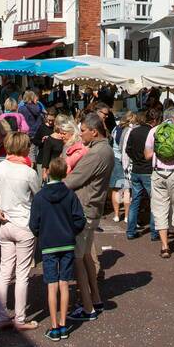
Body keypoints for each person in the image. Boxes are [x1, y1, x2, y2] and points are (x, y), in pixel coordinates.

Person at [0, 132, 42, 332]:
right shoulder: (29, 172)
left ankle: (2, 316)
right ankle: (20, 318)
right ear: (23, 148)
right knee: (22, 274)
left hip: (5, 224)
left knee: (5, 272)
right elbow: (38, 196)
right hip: (24, 224)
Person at [63, 112, 114, 322]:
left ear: (94, 131)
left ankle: (87, 307)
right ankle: (95, 299)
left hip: (84, 208)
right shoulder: (104, 150)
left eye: (83, 130)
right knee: (85, 257)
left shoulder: (96, 153)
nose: (80, 134)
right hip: (92, 208)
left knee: (78, 259)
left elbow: (73, 180)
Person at [29, 154, 86, 342]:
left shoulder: (39, 197)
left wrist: (41, 233)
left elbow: (33, 223)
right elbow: (80, 219)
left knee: (51, 285)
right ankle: (63, 323)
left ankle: (54, 326)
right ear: (65, 173)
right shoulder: (70, 195)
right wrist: (71, 231)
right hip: (67, 242)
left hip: (48, 245)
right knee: (65, 284)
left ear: (48, 173)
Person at [145, 107, 174, 258]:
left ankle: (165, 247)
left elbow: (147, 155)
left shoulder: (154, 131)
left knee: (160, 210)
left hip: (158, 173)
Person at [125, 108, 158, 241]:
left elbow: (128, 149)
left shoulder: (134, 131)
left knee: (135, 200)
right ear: (154, 120)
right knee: (154, 202)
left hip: (136, 169)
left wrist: (136, 159)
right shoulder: (153, 133)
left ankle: (130, 231)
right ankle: (154, 232)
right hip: (148, 170)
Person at [109, 112, 132, 222]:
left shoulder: (115, 129)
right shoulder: (128, 131)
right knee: (126, 188)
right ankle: (127, 216)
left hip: (115, 158)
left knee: (116, 188)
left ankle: (116, 215)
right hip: (124, 160)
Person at [40, 113, 75, 179]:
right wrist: (44, 172)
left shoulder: (70, 137)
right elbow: (46, 157)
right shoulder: (50, 139)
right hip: (54, 170)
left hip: (67, 170)